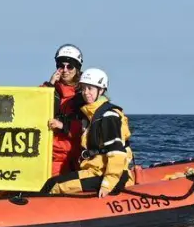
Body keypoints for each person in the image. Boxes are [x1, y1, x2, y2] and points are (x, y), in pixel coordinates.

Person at [40, 68, 133, 197]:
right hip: (94, 170)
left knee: (54, 185)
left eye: (90, 89)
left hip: (105, 174)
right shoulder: (91, 114)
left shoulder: (108, 116)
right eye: (83, 89)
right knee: (51, 183)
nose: (86, 93)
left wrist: (108, 183)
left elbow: (116, 152)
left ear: (101, 90)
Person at [43, 44, 85, 176]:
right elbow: (34, 107)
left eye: (70, 66)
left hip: (72, 155)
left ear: (77, 69)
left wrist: (63, 125)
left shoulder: (85, 92)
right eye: (61, 66)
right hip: (48, 153)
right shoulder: (47, 89)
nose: (65, 70)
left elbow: (91, 125)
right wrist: (50, 86)